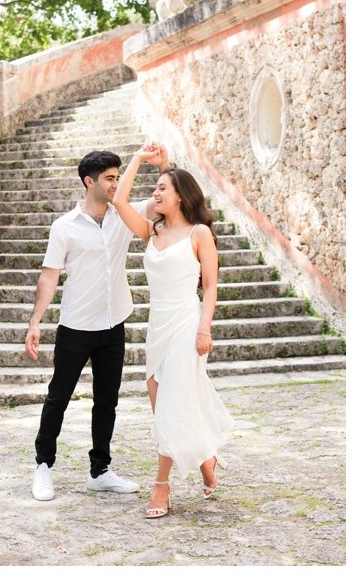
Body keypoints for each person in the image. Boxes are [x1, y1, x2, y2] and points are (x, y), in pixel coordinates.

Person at [25, 148, 169, 501]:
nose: (116, 183)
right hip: (75, 325)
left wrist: (164, 166)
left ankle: (100, 470)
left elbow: (167, 204)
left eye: (118, 177)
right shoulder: (64, 227)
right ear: (89, 181)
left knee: (107, 400)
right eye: (109, 178)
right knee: (58, 397)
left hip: (113, 324)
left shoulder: (125, 215)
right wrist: (35, 322)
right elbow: (49, 277)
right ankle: (43, 466)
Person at [111, 143, 233, 519]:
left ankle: (160, 486)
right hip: (157, 326)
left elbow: (210, 286)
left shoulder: (199, 234)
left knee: (171, 404)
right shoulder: (152, 231)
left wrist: (204, 328)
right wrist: (136, 159)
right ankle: (206, 462)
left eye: (163, 188)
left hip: (186, 322)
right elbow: (118, 201)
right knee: (164, 406)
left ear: (180, 196)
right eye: (156, 188)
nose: (156, 193)